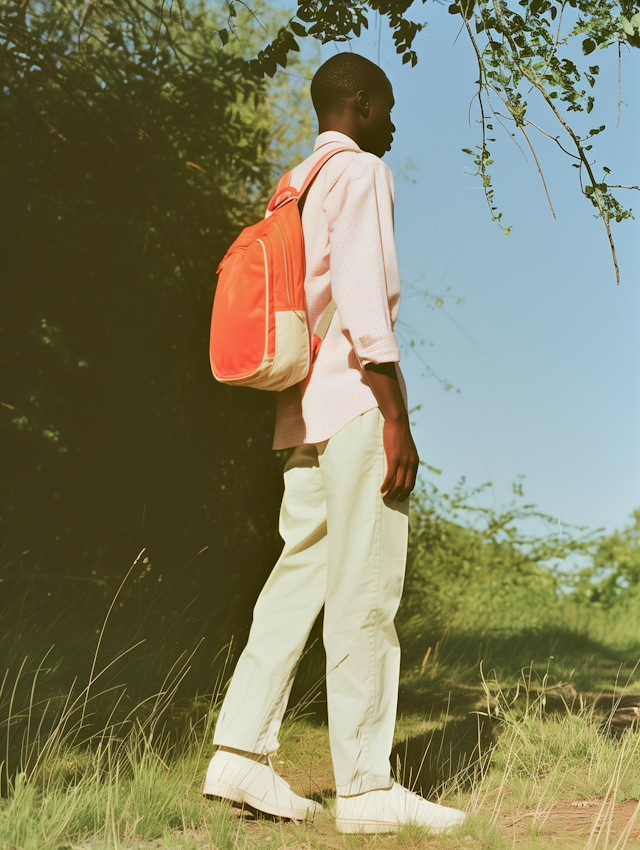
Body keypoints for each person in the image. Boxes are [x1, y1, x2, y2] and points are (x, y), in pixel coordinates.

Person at [202, 52, 466, 835]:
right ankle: (365, 787)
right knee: (366, 590)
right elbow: (361, 300)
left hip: (300, 416)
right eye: (386, 108)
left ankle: (239, 757)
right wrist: (395, 414)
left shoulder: (296, 184)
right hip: (354, 407)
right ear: (361, 102)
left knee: (294, 585)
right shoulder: (359, 176)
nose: (393, 124)